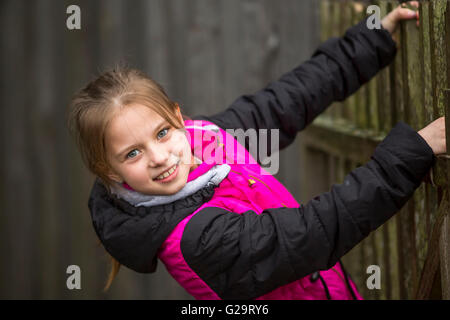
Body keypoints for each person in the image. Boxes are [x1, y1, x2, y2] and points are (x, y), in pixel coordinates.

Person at [67, 3, 446, 299]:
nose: (160, 156)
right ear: (110, 172)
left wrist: (368, 43)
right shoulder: (195, 240)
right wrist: (415, 150)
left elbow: (284, 102)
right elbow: (313, 232)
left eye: (163, 133)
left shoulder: (207, 139)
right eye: (132, 153)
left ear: (178, 118)